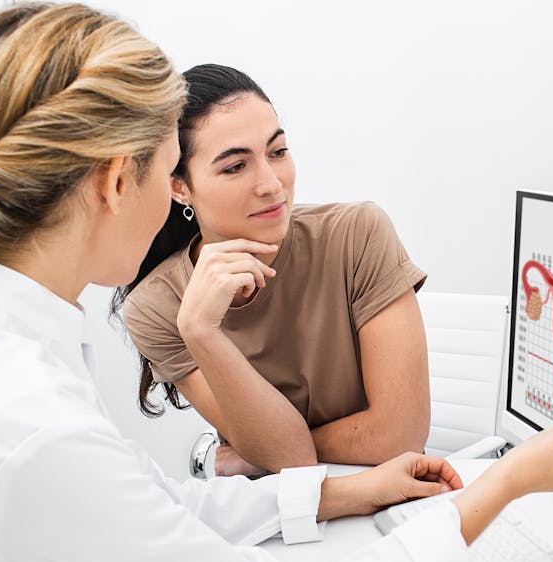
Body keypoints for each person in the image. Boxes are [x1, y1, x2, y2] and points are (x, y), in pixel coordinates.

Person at [0, 3, 553, 560]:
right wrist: (511, 480)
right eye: (177, 170)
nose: (270, 185)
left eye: (279, 151)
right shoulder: (36, 426)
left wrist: (349, 486)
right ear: (115, 184)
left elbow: (169, 499)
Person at [115, 64, 431, 475]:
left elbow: (400, 437)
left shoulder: (357, 235)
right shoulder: (157, 307)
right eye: (235, 167)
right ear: (179, 187)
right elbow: (288, 459)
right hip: (277, 517)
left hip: (389, 493)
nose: (270, 184)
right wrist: (200, 330)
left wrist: (255, 454)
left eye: (277, 152)